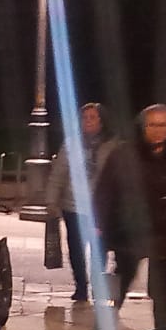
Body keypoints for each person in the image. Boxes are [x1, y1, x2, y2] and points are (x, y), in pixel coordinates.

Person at [97, 104, 166, 330]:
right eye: (153, 124)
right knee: (122, 279)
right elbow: (105, 191)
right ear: (143, 127)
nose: (158, 130)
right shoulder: (124, 155)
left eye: (163, 125)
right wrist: (101, 224)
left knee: (164, 294)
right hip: (131, 232)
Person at [44, 102, 119, 303]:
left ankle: (97, 285)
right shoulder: (71, 144)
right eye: (85, 118)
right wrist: (51, 201)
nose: (87, 122)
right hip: (73, 205)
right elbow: (58, 174)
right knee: (76, 248)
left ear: (102, 121)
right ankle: (80, 286)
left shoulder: (112, 146)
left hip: (100, 209)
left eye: (92, 117)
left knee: (99, 250)